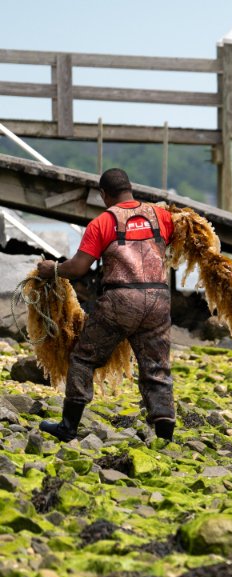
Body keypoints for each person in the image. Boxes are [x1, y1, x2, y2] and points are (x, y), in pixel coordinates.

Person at [35, 168, 176, 443]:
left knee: (83, 357)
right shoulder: (162, 216)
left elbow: (77, 268)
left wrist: (52, 269)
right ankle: (165, 437)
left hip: (120, 301)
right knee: (156, 368)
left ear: (103, 194)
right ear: (130, 188)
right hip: (159, 301)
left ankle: (67, 426)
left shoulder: (102, 222)